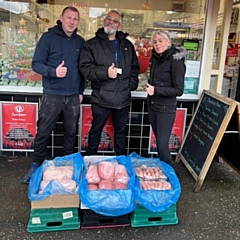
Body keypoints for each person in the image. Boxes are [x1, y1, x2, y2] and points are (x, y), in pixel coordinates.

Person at [22, 6, 85, 184]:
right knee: (43, 131)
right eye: (69, 18)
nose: (72, 21)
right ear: (61, 18)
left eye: (75, 19)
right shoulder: (48, 38)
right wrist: (53, 72)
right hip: (53, 94)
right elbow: (36, 64)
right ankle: (36, 164)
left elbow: (81, 70)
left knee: (71, 133)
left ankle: (67, 166)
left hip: (73, 96)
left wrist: (80, 91)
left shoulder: (80, 42)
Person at [79, 10, 139, 156]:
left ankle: (120, 163)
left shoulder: (127, 45)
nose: (111, 22)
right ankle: (89, 161)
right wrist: (106, 73)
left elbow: (134, 68)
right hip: (101, 97)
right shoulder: (91, 45)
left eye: (115, 21)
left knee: (120, 133)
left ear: (119, 26)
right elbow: (85, 69)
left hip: (122, 97)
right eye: (109, 19)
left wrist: (130, 85)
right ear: (104, 20)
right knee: (96, 130)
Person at [146, 30, 186, 166]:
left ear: (168, 42)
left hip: (165, 109)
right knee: (159, 143)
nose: (157, 44)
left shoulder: (176, 60)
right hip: (153, 105)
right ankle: (163, 171)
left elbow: (178, 90)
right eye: (155, 42)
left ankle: (170, 176)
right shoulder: (157, 58)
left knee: (162, 146)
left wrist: (155, 90)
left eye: (161, 41)